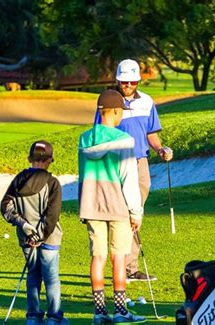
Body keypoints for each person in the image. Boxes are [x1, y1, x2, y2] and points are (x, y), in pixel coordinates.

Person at [94, 59, 173, 282]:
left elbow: (151, 133)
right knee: (120, 213)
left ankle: (130, 267)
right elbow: (100, 132)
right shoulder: (109, 101)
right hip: (115, 162)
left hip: (139, 163)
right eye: (124, 81)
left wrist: (160, 149)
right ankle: (122, 266)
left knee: (134, 212)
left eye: (132, 81)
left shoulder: (146, 102)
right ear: (117, 80)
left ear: (138, 80)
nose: (128, 85)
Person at [80, 89, 146, 324]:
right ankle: (120, 310)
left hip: (91, 204)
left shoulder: (85, 139)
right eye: (121, 113)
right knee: (119, 258)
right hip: (117, 205)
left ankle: (99, 312)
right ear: (116, 111)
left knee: (98, 258)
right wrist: (135, 211)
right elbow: (128, 179)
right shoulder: (124, 141)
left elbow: (82, 176)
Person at [0, 140, 68, 325]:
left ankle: (33, 316)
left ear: (31, 159)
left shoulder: (18, 180)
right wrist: (41, 236)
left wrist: (23, 225)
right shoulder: (52, 183)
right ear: (49, 160)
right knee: (51, 277)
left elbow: (6, 207)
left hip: (26, 238)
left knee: (33, 275)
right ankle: (54, 317)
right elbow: (52, 215)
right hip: (49, 237)